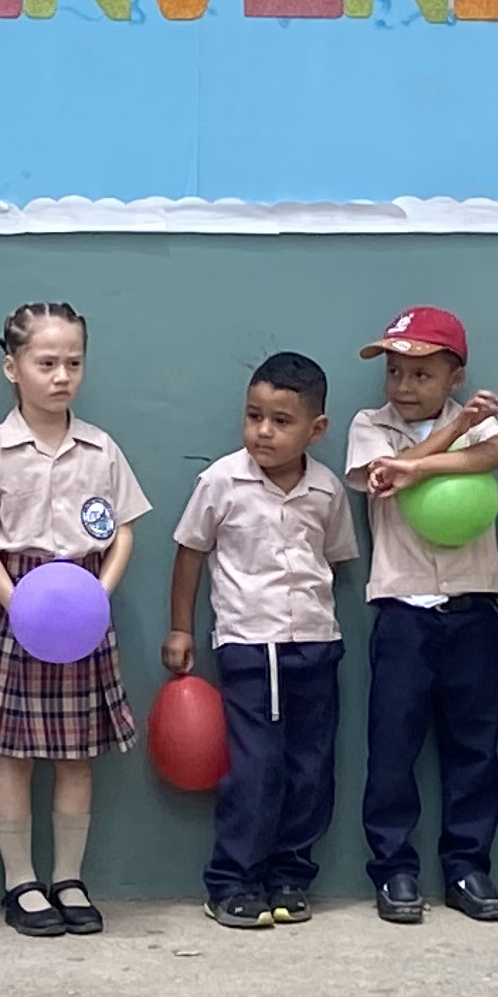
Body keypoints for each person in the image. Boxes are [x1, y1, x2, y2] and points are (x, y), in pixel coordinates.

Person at [0, 300, 146, 938]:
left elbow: (120, 536)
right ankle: (20, 883)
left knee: (75, 753)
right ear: (12, 367)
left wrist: (99, 596)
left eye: (73, 363)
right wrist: (16, 603)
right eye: (46, 362)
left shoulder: (101, 449)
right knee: (14, 753)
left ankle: (68, 877)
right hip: (17, 608)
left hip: (82, 612)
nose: (61, 376)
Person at [166, 351, 360, 931]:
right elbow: (190, 553)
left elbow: (333, 559)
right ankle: (231, 883)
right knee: (255, 771)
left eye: (280, 421)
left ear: (315, 429)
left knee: (310, 770)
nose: (263, 432)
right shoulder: (221, 481)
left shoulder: (326, 491)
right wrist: (179, 627)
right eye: (254, 417)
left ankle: (289, 877)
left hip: (317, 643)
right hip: (251, 647)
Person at [345, 303, 498, 926]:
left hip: (474, 603)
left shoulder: (479, 427)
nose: (404, 386)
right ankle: (394, 870)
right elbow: (386, 476)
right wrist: (442, 443)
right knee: (393, 747)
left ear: (454, 377)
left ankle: (468, 866)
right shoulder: (371, 425)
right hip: (403, 608)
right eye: (395, 372)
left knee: (475, 746)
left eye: (421, 374)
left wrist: (440, 449)